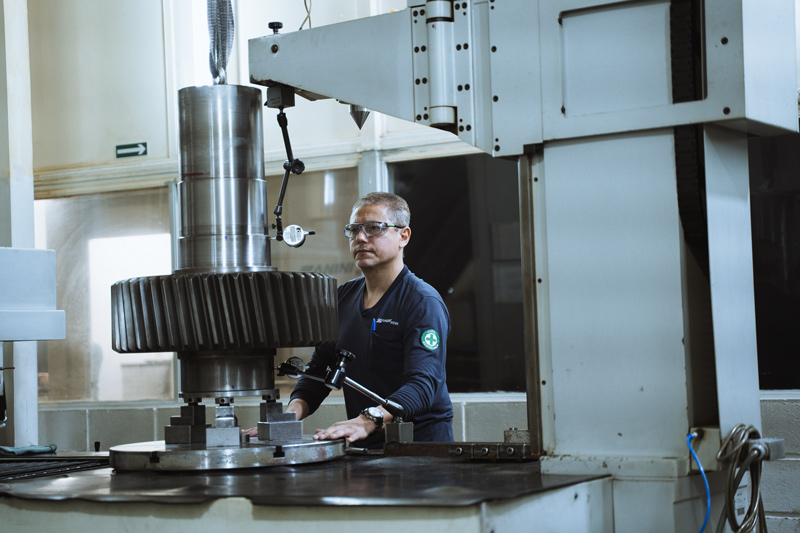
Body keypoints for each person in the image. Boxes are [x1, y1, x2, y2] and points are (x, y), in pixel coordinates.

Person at [247, 192, 454, 448]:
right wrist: (289, 416)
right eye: (354, 230)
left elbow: (423, 385)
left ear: (404, 236)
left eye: (374, 228)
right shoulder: (342, 298)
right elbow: (319, 370)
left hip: (422, 450)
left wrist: (368, 419)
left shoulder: (422, 302)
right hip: (365, 448)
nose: (360, 238)